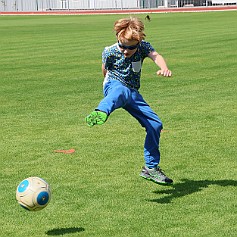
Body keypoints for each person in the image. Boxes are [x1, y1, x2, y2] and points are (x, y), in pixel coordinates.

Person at [85, 17, 173, 185]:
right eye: (122, 46)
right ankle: (101, 111)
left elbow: (156, 56)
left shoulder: (143, 47)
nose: (125, 50)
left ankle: (151, 168)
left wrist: (164, 68)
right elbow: (104, 70)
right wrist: (108, 88)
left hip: (133, 93)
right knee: (120, 91)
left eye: (130, 47)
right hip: (114, 86)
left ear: (138, 42)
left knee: (155, 124)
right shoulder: (109, 51)